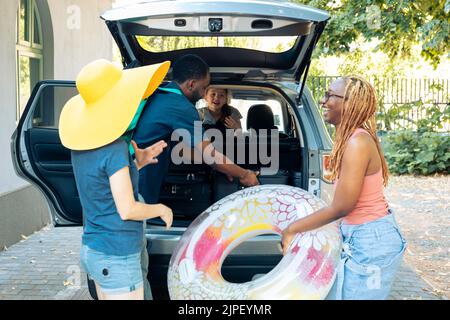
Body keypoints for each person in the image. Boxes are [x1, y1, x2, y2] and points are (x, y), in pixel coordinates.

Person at [281, 76, 407, 300]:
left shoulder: (358, 143)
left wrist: (292, 228)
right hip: (359, 235)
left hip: (371, 239)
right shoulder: (352, 139)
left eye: (330, 95)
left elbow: (341, 207)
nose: (323, 101)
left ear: (349, 103)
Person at [59, 59, 174, 300]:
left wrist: (137, 163)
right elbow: (127, 209)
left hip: (95, 251)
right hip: (117, 256)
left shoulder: (81, 146)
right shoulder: (114, 149)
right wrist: (160, 209)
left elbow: (101, 184)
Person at [134, 54, 260, 207]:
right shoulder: (183, 108)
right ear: (192, 84)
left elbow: (187, 150)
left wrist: (228, 167)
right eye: (204, 88)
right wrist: (244, 174)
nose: (203, 93)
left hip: (129, 173)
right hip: (137, 182)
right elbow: (209, 155)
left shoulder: (159, 94)